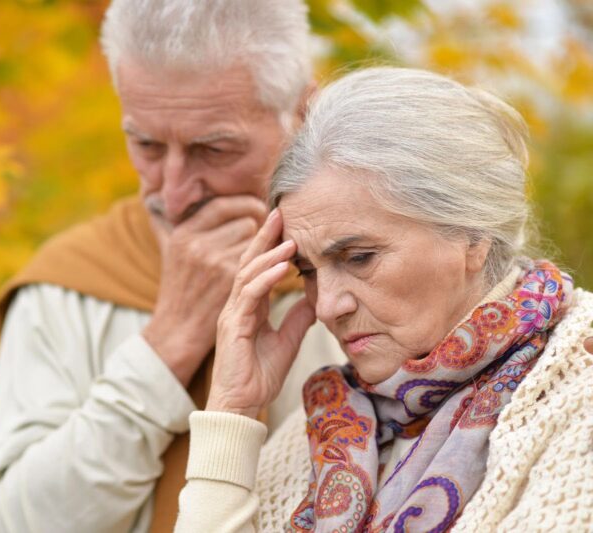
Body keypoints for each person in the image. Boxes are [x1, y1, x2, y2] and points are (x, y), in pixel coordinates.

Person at [0, 1, 346, 532]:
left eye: (214, 149)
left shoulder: (361, 275)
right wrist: (168, 343)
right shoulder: (67, 285)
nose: (173, 194)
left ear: (303, 112)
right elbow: (20, 524)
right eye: (147, 145)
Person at [176, 67, 593, 532]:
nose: (327, 306)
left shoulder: (578, 391)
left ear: (472, 236)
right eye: (308, 272)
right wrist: (231, 408)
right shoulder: (325, 424)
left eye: (358, 258)